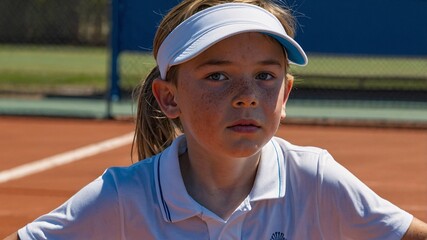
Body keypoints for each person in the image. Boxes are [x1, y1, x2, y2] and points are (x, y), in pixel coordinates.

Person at [5, 0, 427, 239]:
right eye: (217, 76)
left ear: (286, 94)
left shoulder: (314, 180)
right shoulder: (123, 198)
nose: (246, 97)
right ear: (169, 98)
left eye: (265, 76)